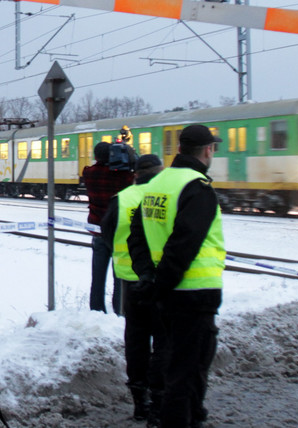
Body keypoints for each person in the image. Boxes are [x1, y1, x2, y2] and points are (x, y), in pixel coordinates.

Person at [128, 124, 224, 428]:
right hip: (194, 294)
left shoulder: (159, 183)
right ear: (207, 150)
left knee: (179, 366)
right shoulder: (197, 187)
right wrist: (161, 284)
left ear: (179, 149)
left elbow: (136, 236)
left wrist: (148, 276)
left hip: (167, 295)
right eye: (213, 148)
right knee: (187, 371)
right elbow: (184, 243)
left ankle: (195, 417)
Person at [100, 153, 166, 422]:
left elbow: (107, 232)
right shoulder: (166, 196)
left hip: (129, 280)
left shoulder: (123, 198)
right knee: (163, 341)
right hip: (163, 280)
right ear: (159, 172)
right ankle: (160, 398)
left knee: (136, 341)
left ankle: (140, 399)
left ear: (136, 173)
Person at [83, 139, 135, 313]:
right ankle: (119, 309)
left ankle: (96, 309)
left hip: (98, 230)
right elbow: (131, 180)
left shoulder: (89, 173)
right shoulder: (122, 175)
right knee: (119, 275)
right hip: (119, 231)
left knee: (97, 276)